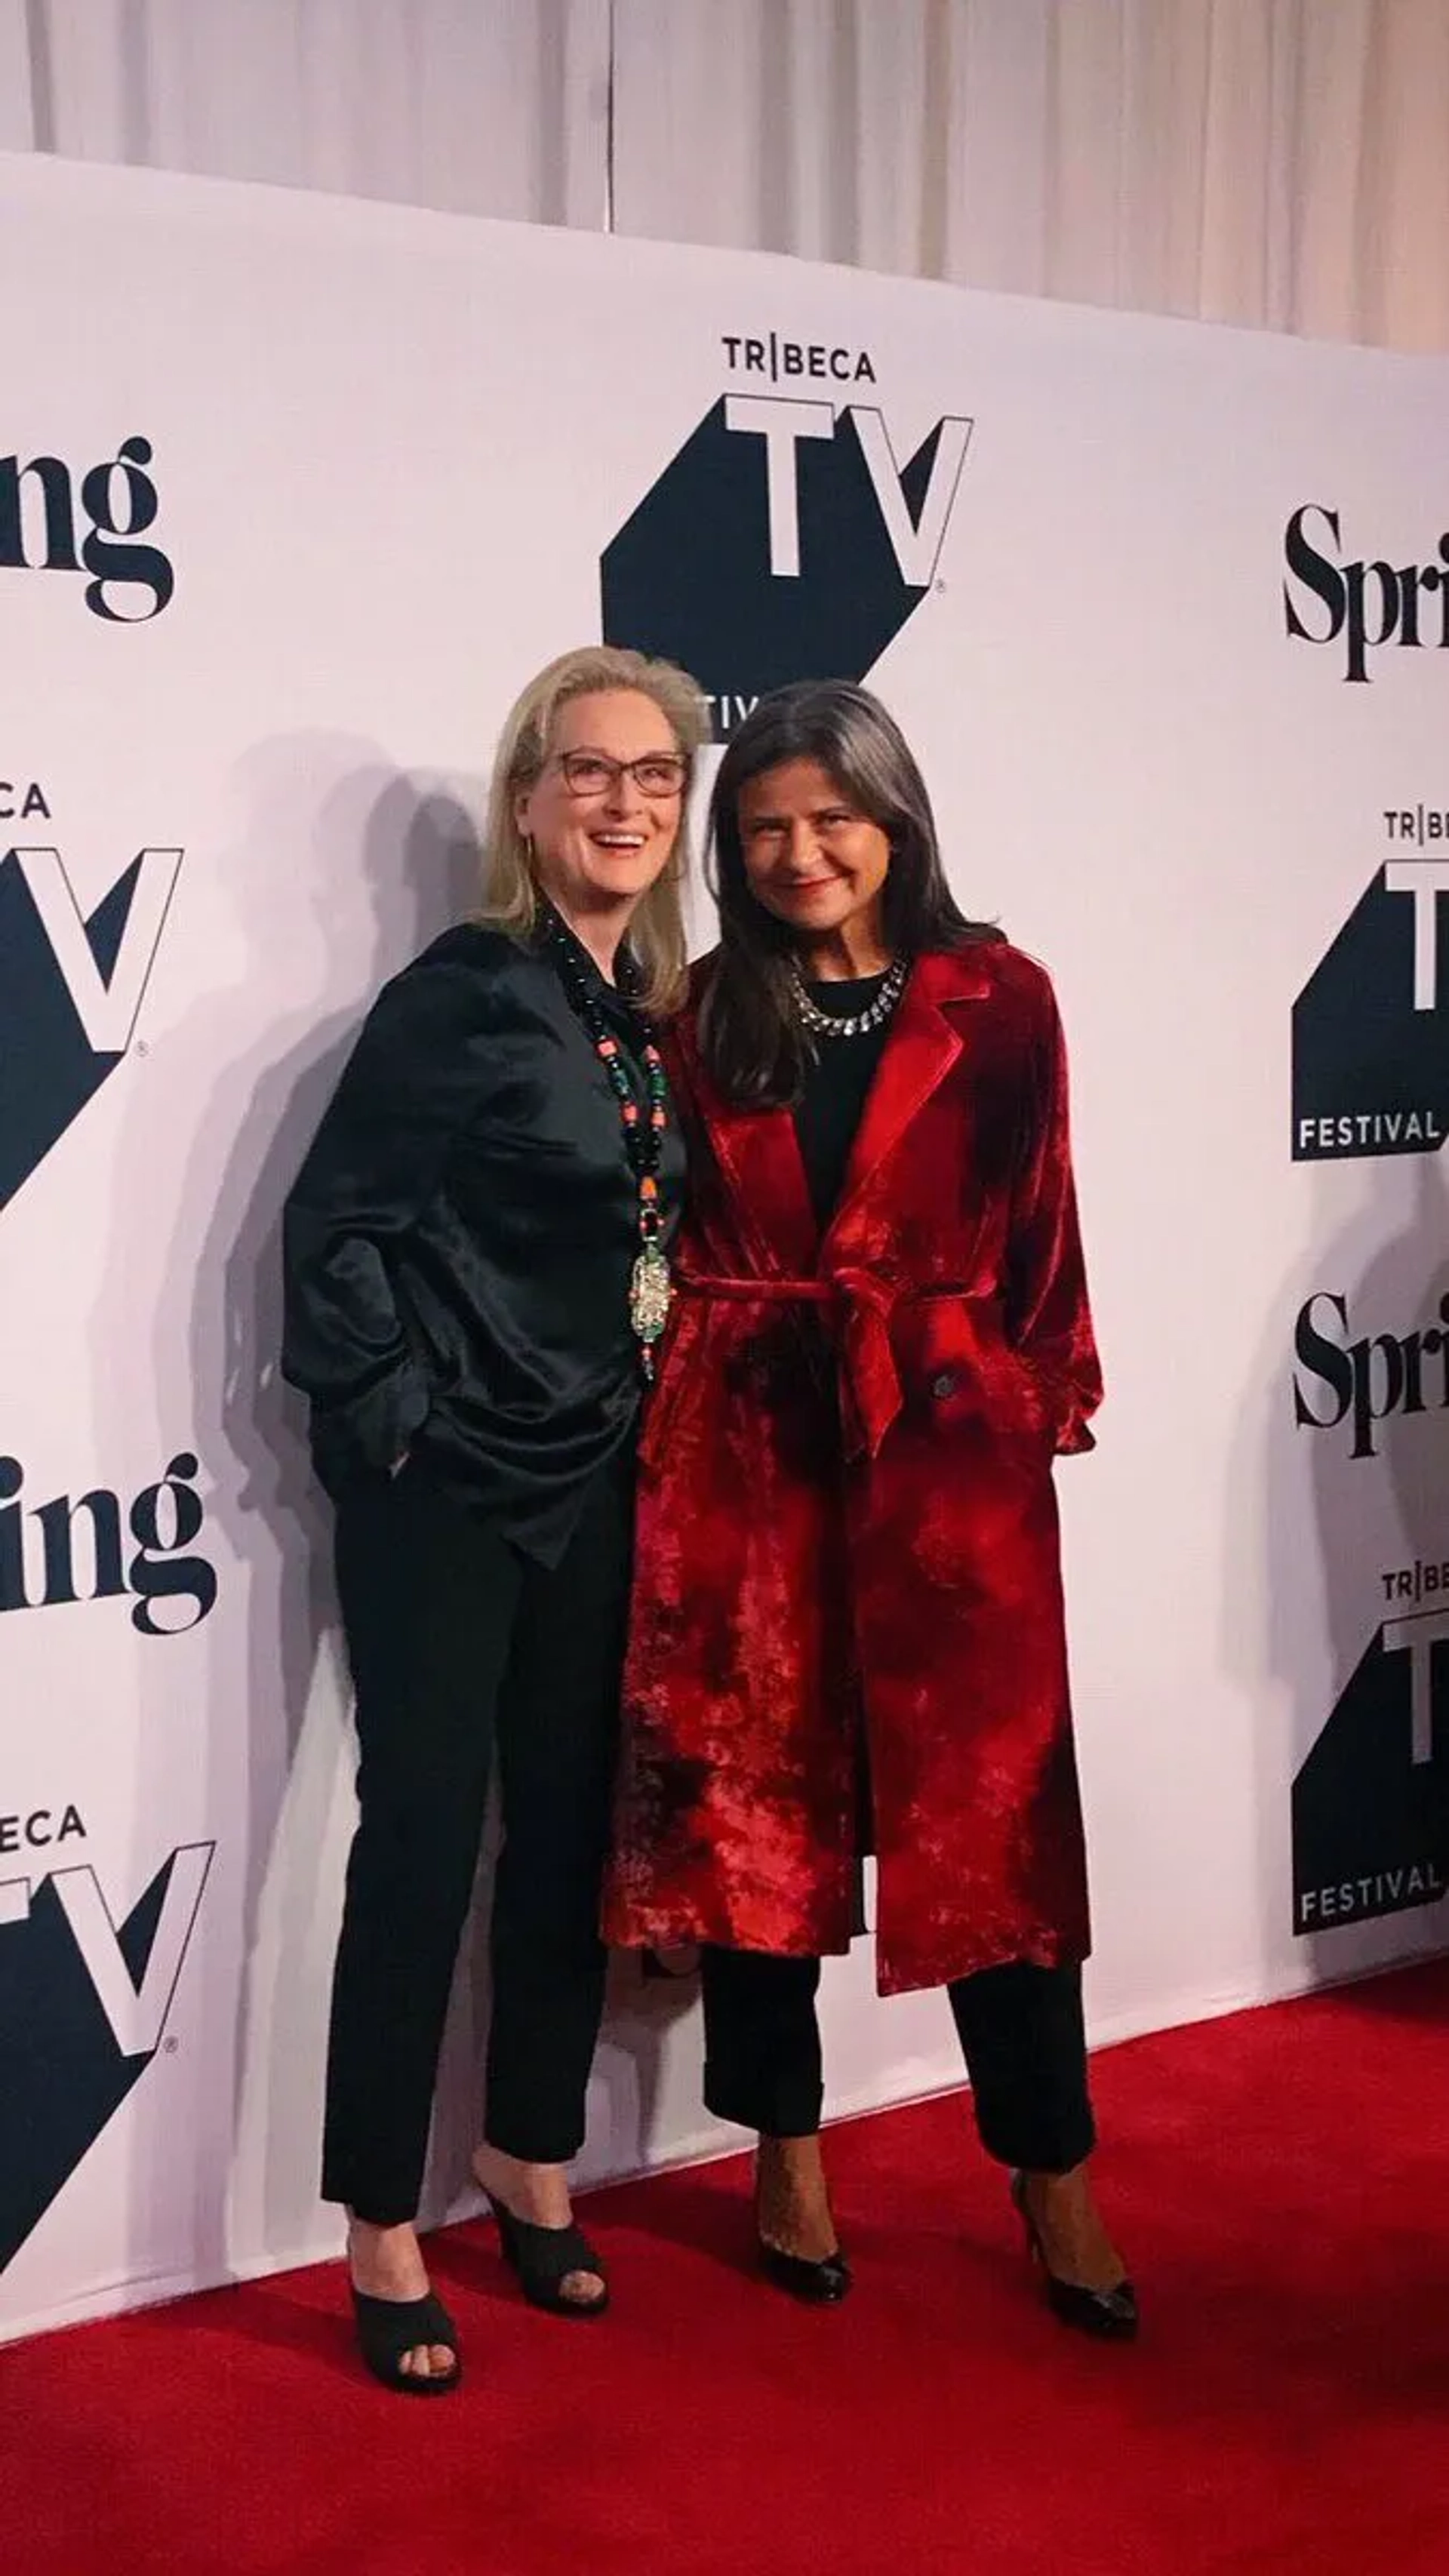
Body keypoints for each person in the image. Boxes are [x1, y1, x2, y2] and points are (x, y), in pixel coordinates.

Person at [605, 679, 1137, 2340]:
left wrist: (1040, 1394)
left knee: (997, 1835)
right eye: (760, 825)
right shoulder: (698, 1011)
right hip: (749, 1451)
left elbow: (1044, 1210)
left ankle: (1052, 2169)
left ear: (896, 818)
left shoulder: (1002, 994)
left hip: (950, 1453)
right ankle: (787, 2146)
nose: (795, 850)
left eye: (830, 815)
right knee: (764, 1825)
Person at [281, 643, 705, 2392]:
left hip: (597, 1479)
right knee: (424, 1839)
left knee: (562, 1841)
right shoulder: (466, 989)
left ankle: (528, 2147)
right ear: (527, 800)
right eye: (587, 769)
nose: (624, 801)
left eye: (655, 776)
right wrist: (403, 1435)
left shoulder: (640, 1017)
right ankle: (382, 2215)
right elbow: (336, 1228)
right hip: (452, 1499)